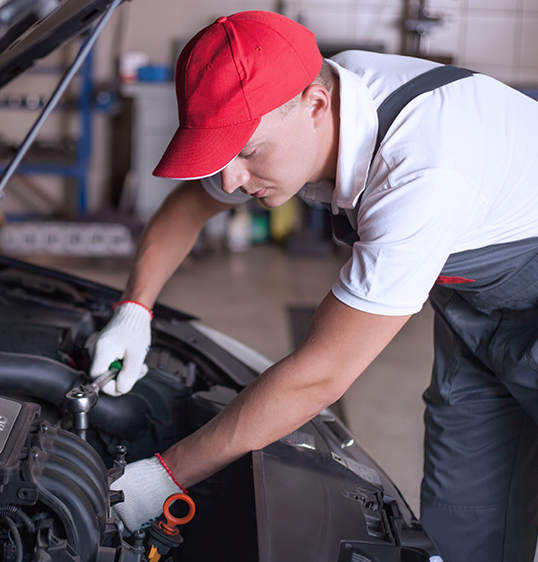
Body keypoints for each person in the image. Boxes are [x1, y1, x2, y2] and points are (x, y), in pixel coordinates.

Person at [90, 11, 538, 562]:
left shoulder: (420, 172)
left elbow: (320, 375)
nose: (230, 180)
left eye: (247, 152)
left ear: (317, 105)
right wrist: (135, 309)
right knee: (464, 512)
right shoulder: (305, 103)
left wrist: (164, 478)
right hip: (477, 302)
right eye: (222, 154)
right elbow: (189, 205)